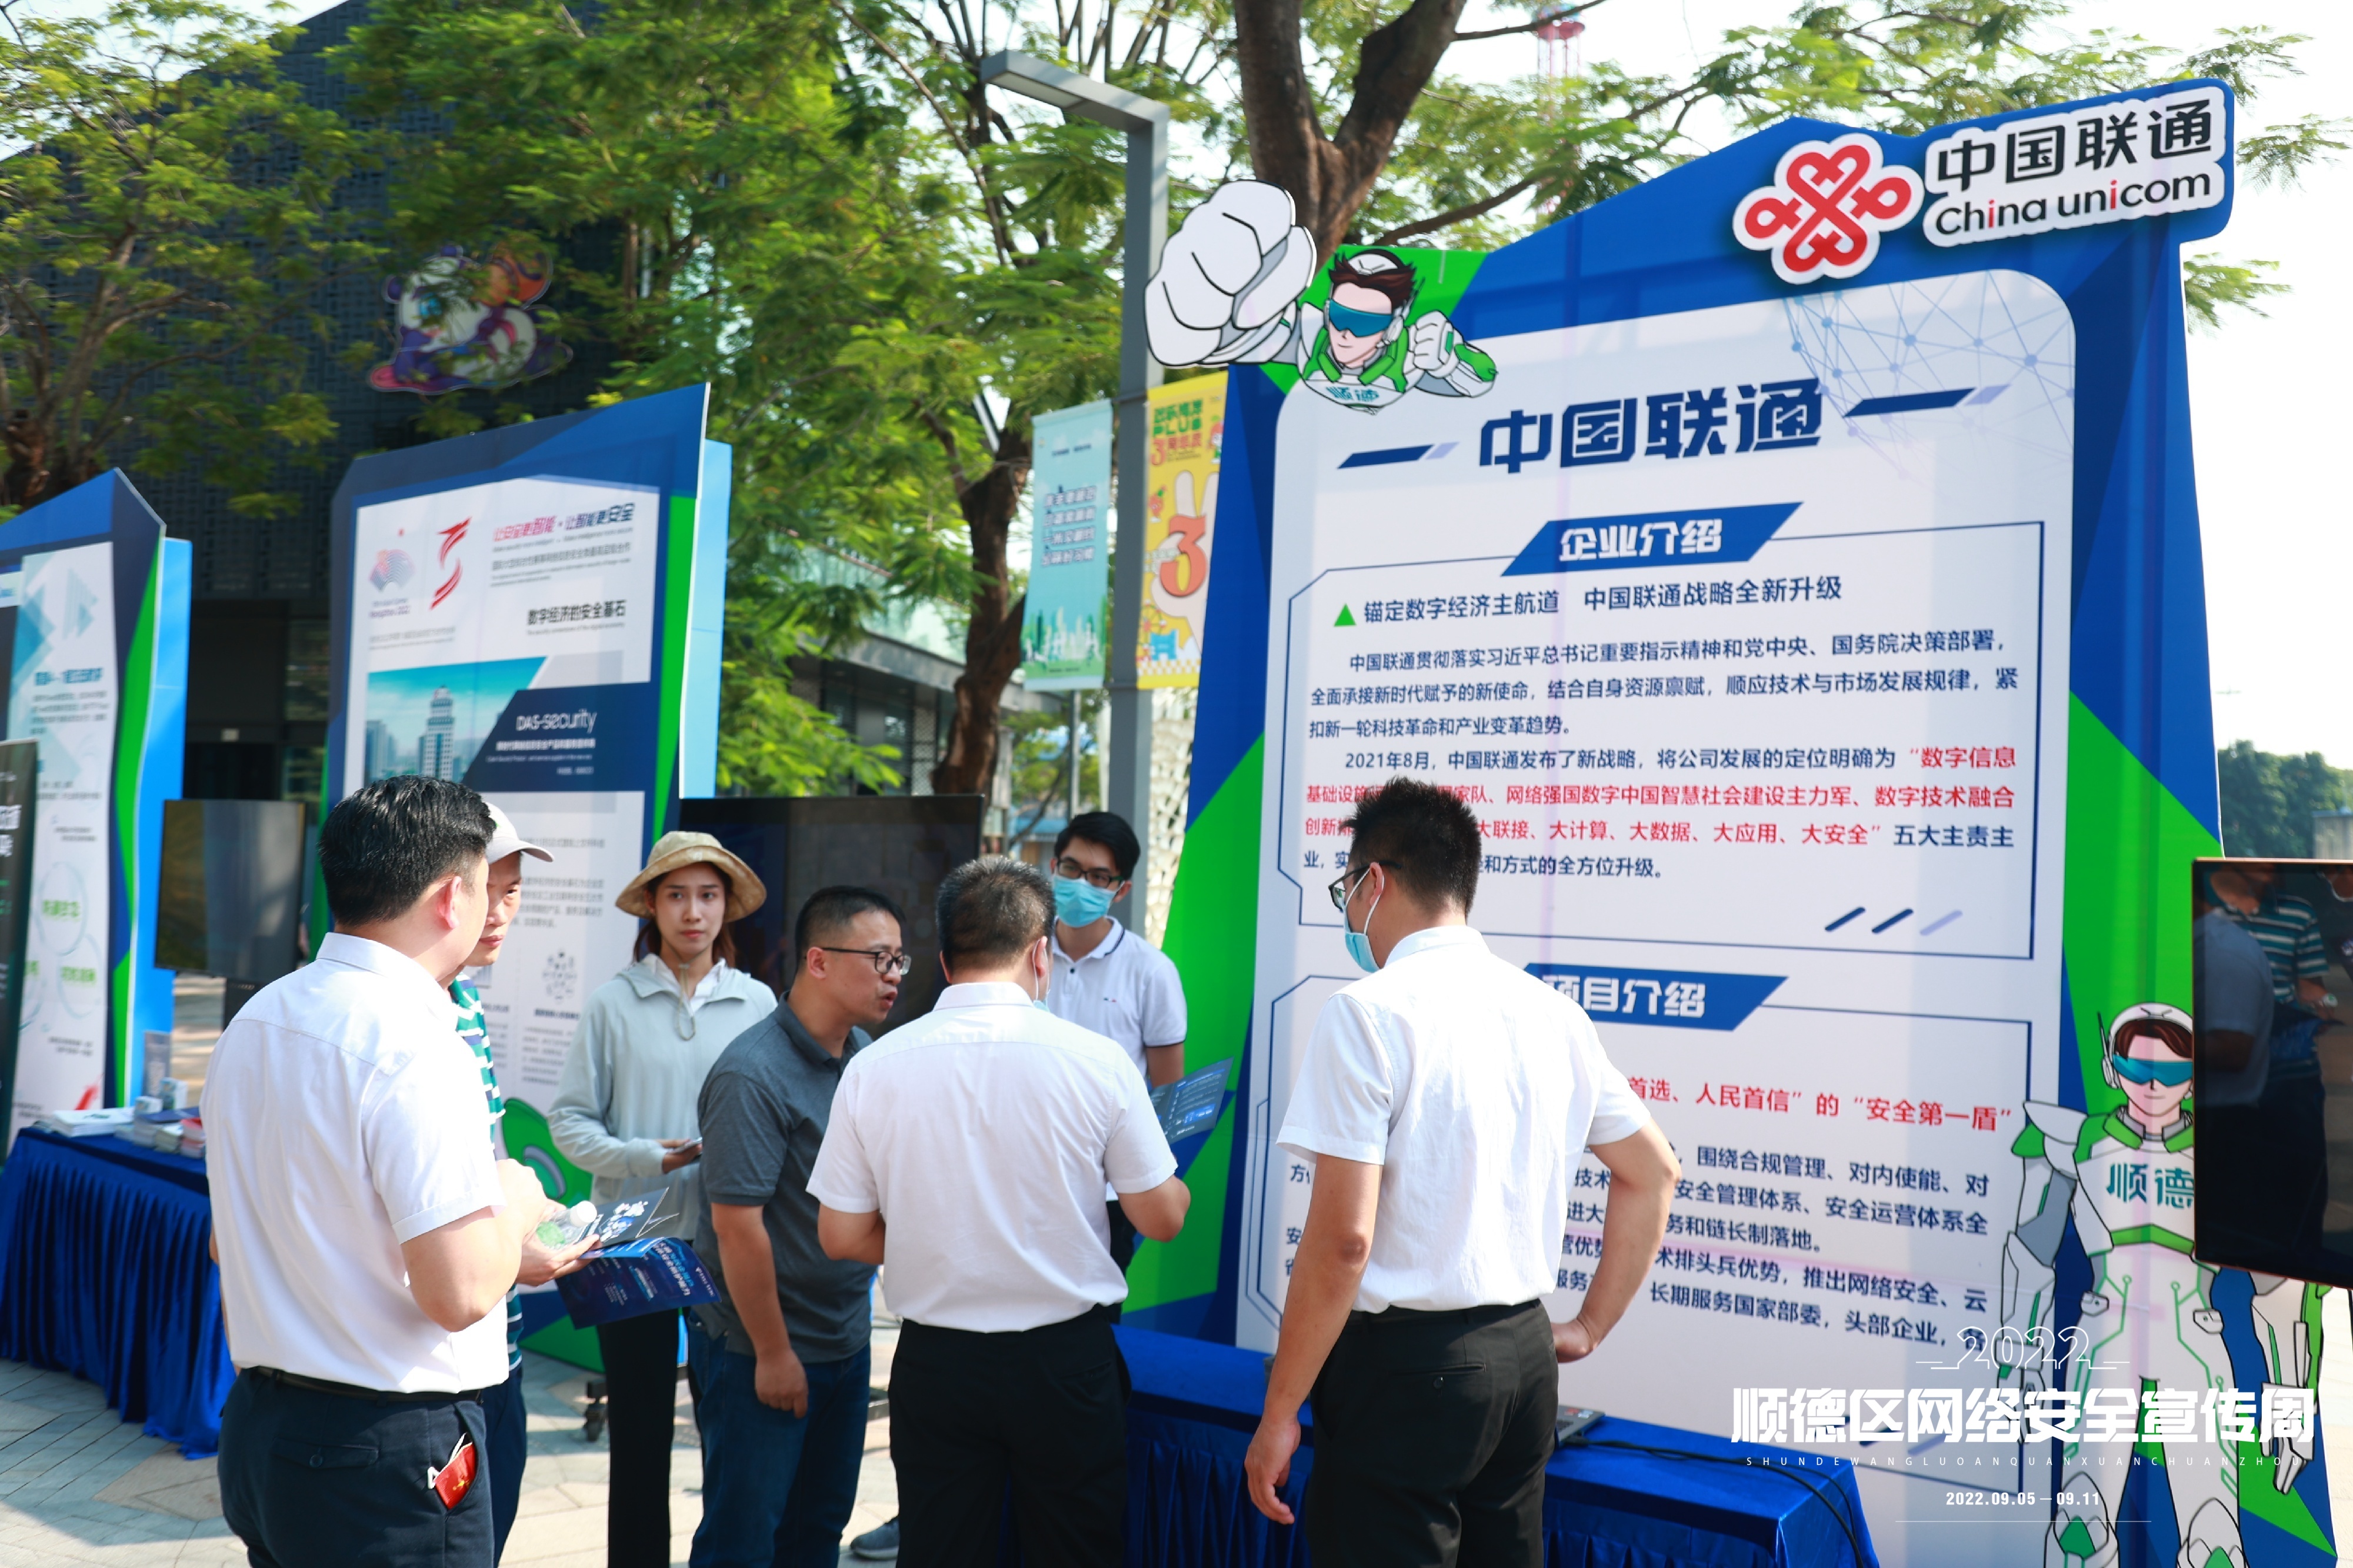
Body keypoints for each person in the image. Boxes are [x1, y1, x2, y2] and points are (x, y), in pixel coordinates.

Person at [1242, 777, 1679, 1566]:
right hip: (1523, 1358)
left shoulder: (1369, 1012)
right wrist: (1586, 1327)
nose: (1348, 909)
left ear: (1374, 881)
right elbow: (1653, 1169)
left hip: (1407, 1372)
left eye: (1346, 887)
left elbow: (1343, 1241)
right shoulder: (1554, 1012)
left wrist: (1281, 1411)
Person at [206, 776, 586, 1568]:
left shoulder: (259, 1017)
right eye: (486, 884)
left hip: (264, 1429)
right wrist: (516, 1202)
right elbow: (460, 1291)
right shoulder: (416, 1042)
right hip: (384, 1454)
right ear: (452, 896)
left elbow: (227, 1239)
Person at [809, 857, 1191, 1568]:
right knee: (1075, 1550)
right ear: (1041, 954)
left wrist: (942, 1233)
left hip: (937, 1365)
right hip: (1065, 1363)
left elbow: (840, 1232)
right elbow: (1162, 1218)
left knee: (941, 1548)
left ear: (945, 961)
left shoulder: (875, 1066)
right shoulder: (1097, 1060)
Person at [549, 830, 777, 1568]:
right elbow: (570, 1122)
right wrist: (648, 1156)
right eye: (676, 895)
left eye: (708, 895)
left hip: (728, 1246)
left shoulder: (758, 1003)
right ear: (651, 904)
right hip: (631, 1247)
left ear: (727, 907)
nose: (693, 912)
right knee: (640, 1434)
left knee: (731, 1430)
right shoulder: (612, 1003)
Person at [688, 887, 908, 1568]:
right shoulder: (752, 1073)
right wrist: (774, 1352)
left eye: (899, 960)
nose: (894, 975)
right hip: (760, 1348)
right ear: (818, 960)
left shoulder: (863, 1053)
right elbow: (738, 1228)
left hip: (844, 1337)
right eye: (879, 958)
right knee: (742, 1541)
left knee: (816, 1531)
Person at [451, 802, 553, 1564]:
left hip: (499, 1346)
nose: (499, 912)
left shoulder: (466, 1002)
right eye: (486, 888)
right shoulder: (412, 1025)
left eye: (512, 891)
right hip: (443, 1371)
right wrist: (516, 1244)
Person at [1042, 809, 1188, 1285]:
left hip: (1108, 1190)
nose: (1081, 884)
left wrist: (1148, 1183)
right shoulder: (1023, 956)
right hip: (1026, 1171)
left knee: (1095, 1309)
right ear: (1053, 868)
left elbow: (1168, 1091)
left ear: (1120, 890)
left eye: (1099, 877)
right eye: (1071, 869)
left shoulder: (1151, 971)